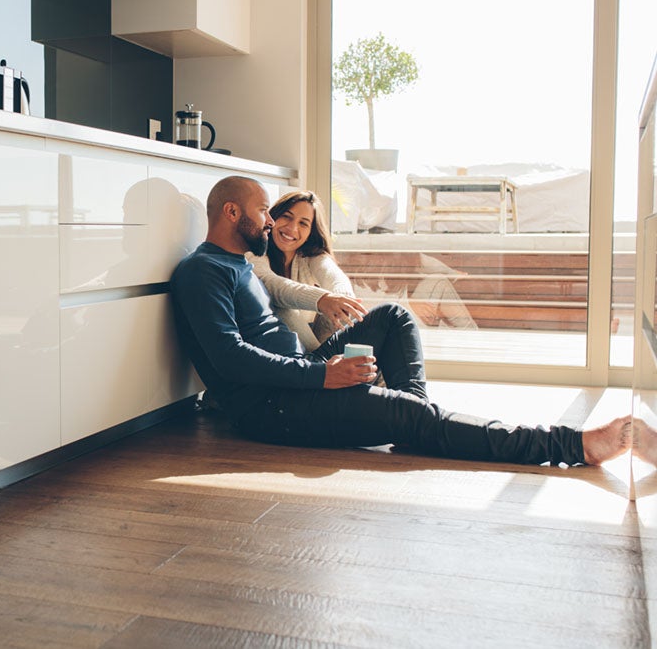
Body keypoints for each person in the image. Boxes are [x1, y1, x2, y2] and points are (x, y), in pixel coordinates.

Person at [170, 175, 630, 466]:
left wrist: (321, 367)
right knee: (410, 415)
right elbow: (229, 359)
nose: (270, 222)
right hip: (272, 409)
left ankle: (412, 422)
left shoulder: (242, 266)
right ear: (232, 213)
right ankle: (571, 447)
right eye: (264, 211)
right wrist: (321, 377)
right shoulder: (201, 271)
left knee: (394, 316)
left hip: (299, 379)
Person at [246, 190, 358, 351]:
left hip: (314, 340)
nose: (292, 228)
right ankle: (320, 361)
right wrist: (322, 299)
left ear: (310, 232)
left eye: (303, 223)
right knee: (282, 305)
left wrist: (343, 299)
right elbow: (270, 283)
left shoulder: (311, 256)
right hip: (276, 345)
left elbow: (333, 276)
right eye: (287, 216)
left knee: (394, 313)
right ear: (273, 217)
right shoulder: (255, 252)